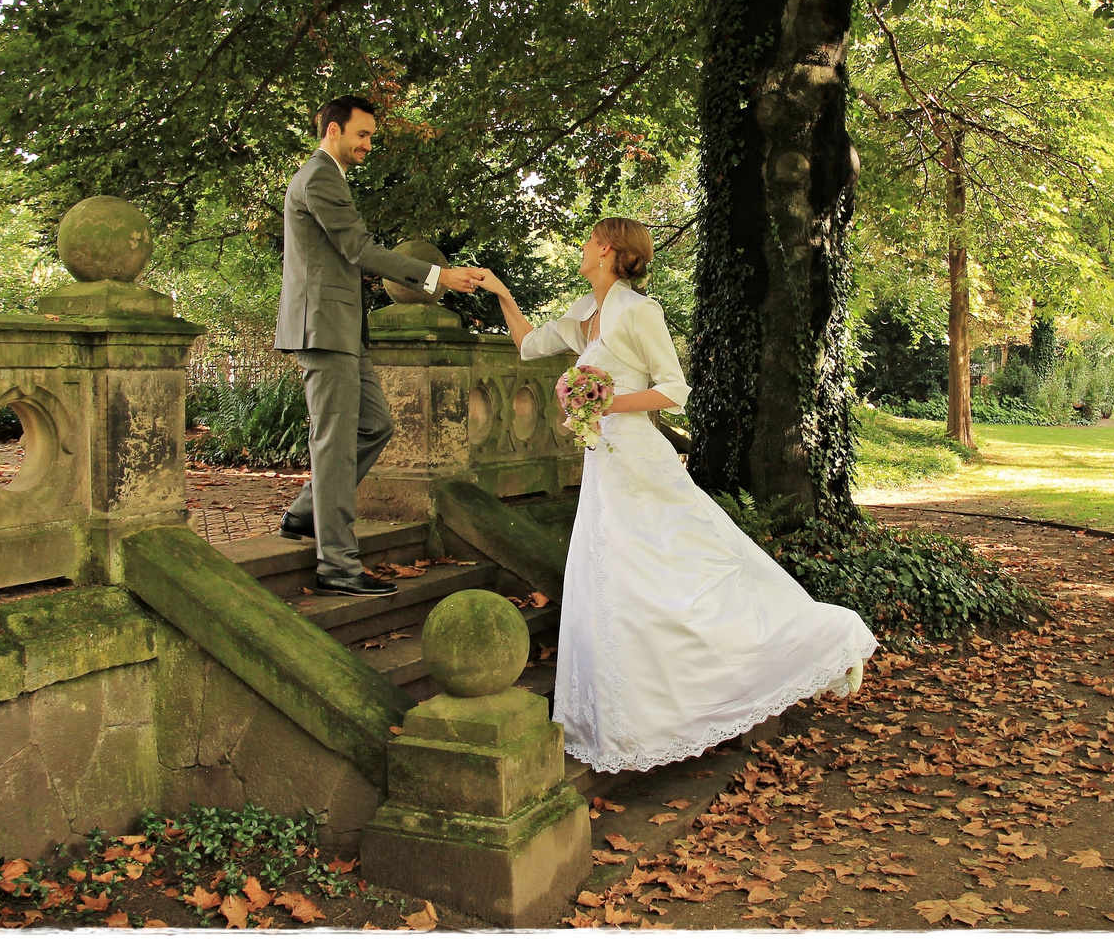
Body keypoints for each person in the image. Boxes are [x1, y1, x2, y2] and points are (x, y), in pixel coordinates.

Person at [474, 218, 877, 773]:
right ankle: (621, 722)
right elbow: (526, 346)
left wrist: (605, 402)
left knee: (676, 568)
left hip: (639, 460)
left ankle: (815, 638)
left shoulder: (640, 312)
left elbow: (673, 389)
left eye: (590, 241)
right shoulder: (581, 314)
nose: (583, 248)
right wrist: (501, 293)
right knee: (611, 581)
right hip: (602, 466)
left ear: (609, 250)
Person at [275, 94, 484, 598]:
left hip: (343, 330)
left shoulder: (326, 177)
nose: (369, 144)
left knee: (375, 425)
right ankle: (338, 568)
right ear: (332, 131)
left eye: (370, 135)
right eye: (362, 134)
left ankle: (305, 516)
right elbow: (358, 249)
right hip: (322, 329)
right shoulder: (319, 175)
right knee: (333, 444)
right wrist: (439, 276)